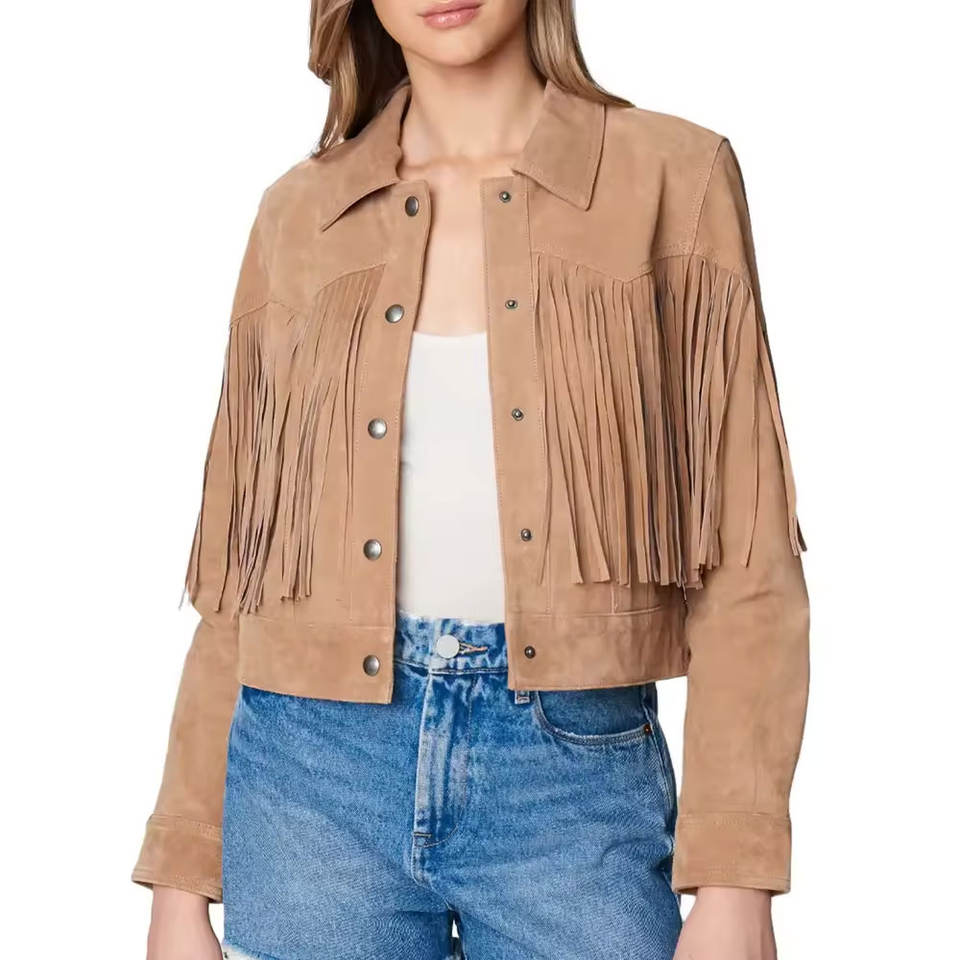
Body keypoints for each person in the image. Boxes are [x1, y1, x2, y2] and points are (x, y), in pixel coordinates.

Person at [133, 1, 810, 958]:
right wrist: (181, 879)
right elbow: (240, 581)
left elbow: (749, 557)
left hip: (573, 780)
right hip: (311, 779)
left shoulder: (672, 176)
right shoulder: (299, 213)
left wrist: (737, 879)